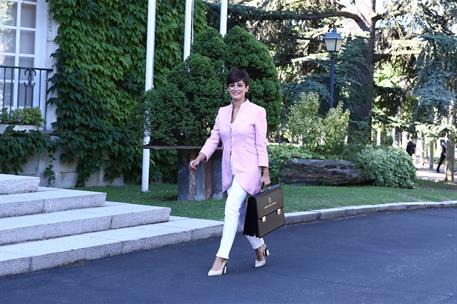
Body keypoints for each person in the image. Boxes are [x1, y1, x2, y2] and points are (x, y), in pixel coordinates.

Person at [189, 69, 271, 276]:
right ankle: (260, 247)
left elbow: (261, 143)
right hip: (231, 169)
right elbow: (214, 138)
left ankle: (221, 258)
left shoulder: (257, 111)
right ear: (228, 88)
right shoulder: (222, 112)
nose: (236, 88)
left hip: (250, 168)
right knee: (241, 216)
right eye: (232, 85)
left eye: (240, 85)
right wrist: (200, 157)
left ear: (247, 88)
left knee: (231, 206)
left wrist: (265, 172)